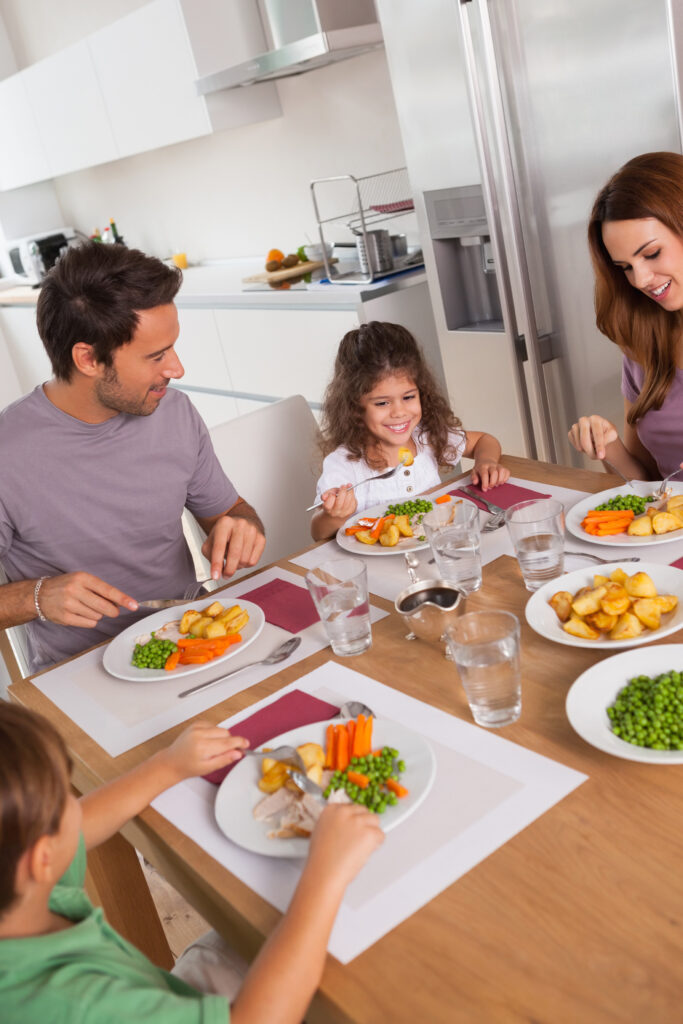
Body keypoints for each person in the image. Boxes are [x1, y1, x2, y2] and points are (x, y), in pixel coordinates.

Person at [0, 703, 383, 1023]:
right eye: (63, 796)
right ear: (41, 858)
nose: (75, 806)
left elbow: (82, 825)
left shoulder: (21, 888)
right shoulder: (75, 1005)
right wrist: (326, 875)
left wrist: (168, 765)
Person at [0, 242, 265, 672]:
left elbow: (231, 512)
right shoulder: (8, 455)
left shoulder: (174, 413)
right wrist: (36, 598)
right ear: (88, 358)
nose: (177, 369)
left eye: (172, 348)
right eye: (156, 356)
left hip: (191, 639)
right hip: (78, 669)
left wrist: (241, 527)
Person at [311, 321, 509, 541]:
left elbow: (484, 440)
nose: (399, 412)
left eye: (408, 397)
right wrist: (335, 515)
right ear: (355, 407)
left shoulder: (426, 437)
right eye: (382, 403)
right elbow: (318, 534)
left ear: (421, 393)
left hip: (439, 550)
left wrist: (486, 462)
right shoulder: (345, 465)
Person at [568, 151, 683, 480]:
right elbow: (647, 480)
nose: (641, 280)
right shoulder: (643, 342)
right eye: (625, 268)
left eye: (651, 254)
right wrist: (608, 444)